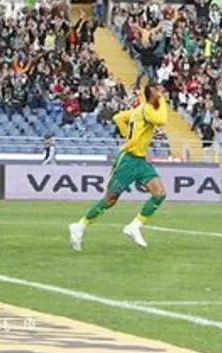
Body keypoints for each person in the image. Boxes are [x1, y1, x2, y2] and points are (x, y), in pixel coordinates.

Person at [68, 83, 168, 251]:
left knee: (159, 193)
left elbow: (119, 117)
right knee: (110, 199)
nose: (162, 93)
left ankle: (134, 226)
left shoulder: (139, 110)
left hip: (140, 160)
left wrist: (127, 136)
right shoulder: (147, 110)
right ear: (152, 93)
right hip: (128, 161)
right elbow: (162, 120)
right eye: (159, 91)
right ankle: (80, 226)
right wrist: (163, 100)